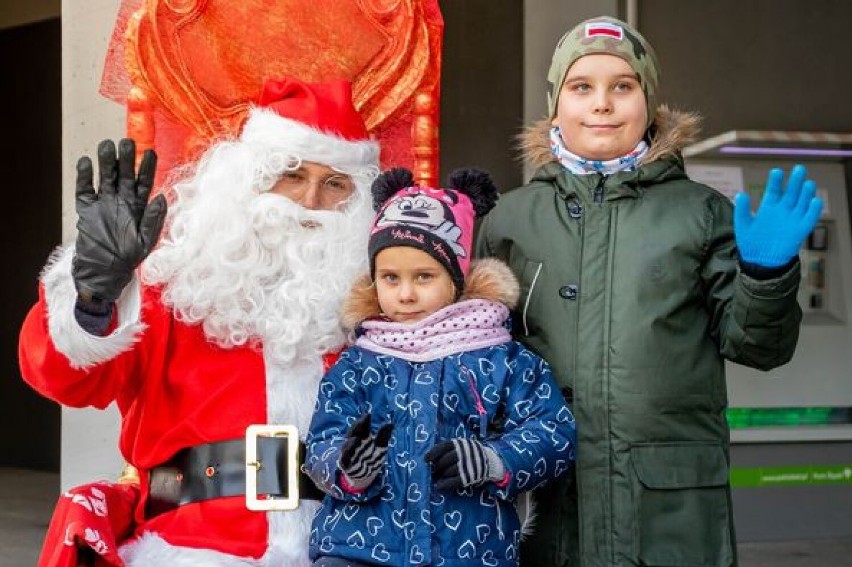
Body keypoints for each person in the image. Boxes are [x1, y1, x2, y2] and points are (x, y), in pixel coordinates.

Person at [475, 16, 823, 567]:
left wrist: (766, 272)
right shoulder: (510, 220)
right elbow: (478, 362)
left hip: (667, 513)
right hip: (546, 504)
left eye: (623, 86)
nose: (602, 104)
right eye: (581, 86)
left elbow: (760, 347)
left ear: (648, 99)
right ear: (556, 103)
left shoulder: (700, 212)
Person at [19, 77, 380, 566]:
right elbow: (65, 378)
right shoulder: (174, 288)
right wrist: (93, 293)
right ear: (248, 182)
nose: (310, 202)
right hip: (191, 548)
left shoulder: (382, 306)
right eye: (291, 174)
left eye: (335, 183)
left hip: (348, 548)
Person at [304, 168, 577, 567]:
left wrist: (493, 459)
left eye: (424, 276)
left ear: (456, 279)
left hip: (469, 551)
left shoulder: (500, 358)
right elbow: (323, 438)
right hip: (358, 551)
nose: (406, 293)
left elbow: (553, 432)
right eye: (390, 278)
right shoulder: (358, 362)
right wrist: (346, 469)